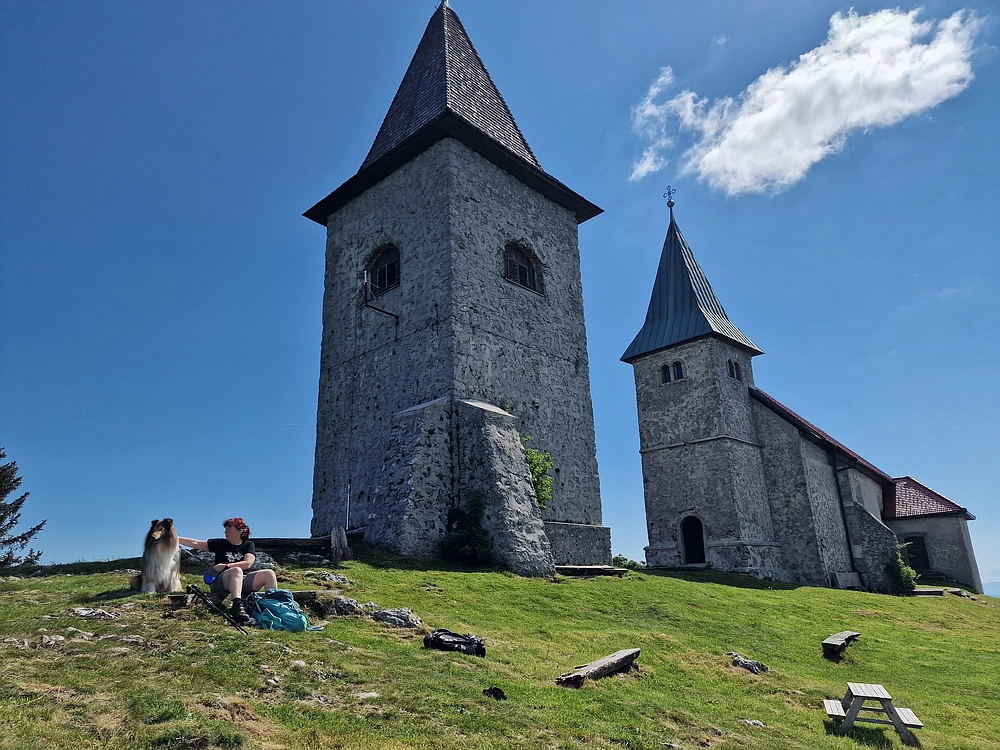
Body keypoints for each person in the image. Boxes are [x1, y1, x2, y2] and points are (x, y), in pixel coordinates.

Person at [178, 517, 277, 624]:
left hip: (241, 579)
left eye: (229, 529)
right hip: (220, 581)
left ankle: (274, 607)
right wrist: (175, 538)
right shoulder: (220, 543)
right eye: (225, 529)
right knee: (236, 570)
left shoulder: (248, 545)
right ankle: (237, 607)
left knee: (269, 573)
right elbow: (195, 543)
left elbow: (248, 563)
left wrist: (225, 566)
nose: (225, 532)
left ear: (240, 530)